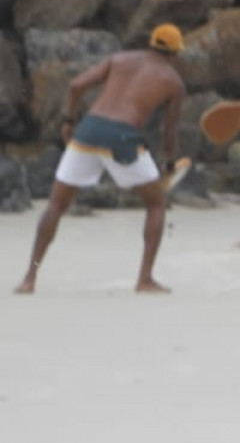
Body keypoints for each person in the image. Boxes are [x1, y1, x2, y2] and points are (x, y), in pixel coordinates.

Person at [16, 25, 187, 295]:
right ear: (176, 52)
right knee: (156, 203)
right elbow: (170, 129)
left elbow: (75, 86)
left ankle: (29, 278)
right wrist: (168, 162)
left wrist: (69, 121)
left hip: (88, 130)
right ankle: (144, 279)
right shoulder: (173, 82)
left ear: (151, 43)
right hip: (121, 137)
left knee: (56, 206)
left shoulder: (120, 59)